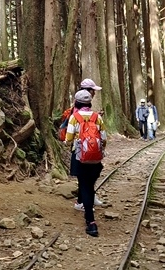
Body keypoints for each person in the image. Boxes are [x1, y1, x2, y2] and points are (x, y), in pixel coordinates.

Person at [65, 89, 107, 237]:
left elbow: (68, 138)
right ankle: (88, 213)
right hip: (95, 158)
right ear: (89, 103)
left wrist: (72, 142)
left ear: (76, 102)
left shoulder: (74, 117)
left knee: (84, 186)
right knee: (90, 185)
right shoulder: (97, 117)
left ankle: (91, 222)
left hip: (80, 157)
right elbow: (104, 138)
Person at [74, 78, 105, 211]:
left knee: (90, 173)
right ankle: (83, 202)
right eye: (93, 91)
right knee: (85, 176)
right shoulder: (76, 109)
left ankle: (87, 198)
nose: (94, 93)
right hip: (81, 147)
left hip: (87, 146)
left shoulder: (83, 109)